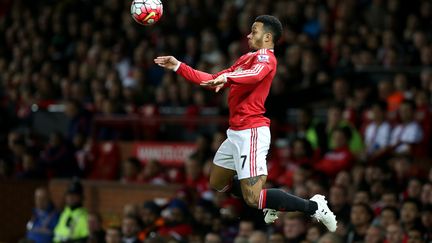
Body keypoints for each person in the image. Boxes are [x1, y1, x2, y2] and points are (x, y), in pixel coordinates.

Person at [154, 15, 337, 232]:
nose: (248, 35)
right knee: (218, 182)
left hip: (252, 132)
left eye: (254, 31)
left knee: (252, 199)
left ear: (268, 36)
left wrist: (229, 78)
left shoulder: (267, 59)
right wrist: (178, 66)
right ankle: (271, 201)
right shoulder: (245, 59)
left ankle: (315, 206)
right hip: (235, 132)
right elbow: (212, 79)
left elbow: (254, 75)